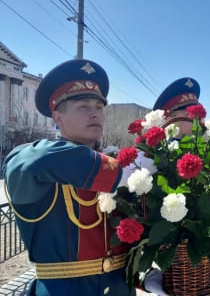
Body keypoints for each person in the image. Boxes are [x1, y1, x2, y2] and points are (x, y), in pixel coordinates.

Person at [2, 60, 134, 295]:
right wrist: (121, 172)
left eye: (99, 106)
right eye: (83, 106)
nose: (94, 112)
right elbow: (25, 162)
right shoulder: (36, 158)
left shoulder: (108, 165)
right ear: (57, 118)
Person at [152, 77, 210, 296]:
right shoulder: (161, 156)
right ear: (170, 119)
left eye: (198, 113)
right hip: (181, 255)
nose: (196, 119)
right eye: (187, 113)